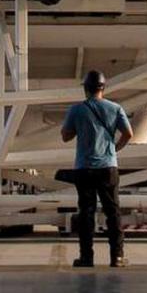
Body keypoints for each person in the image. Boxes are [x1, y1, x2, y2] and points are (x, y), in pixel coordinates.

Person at [61, 70, 132, 267]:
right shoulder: (115, 108)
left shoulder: (76, 110)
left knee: (86, 213)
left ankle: (86, 257)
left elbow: (65, 136)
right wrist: (114, 149)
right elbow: (128, 134)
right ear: (103, 88)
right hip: (108, 168)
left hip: (84, 168)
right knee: (113, 212)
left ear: (86, 89)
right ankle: (117, 257)